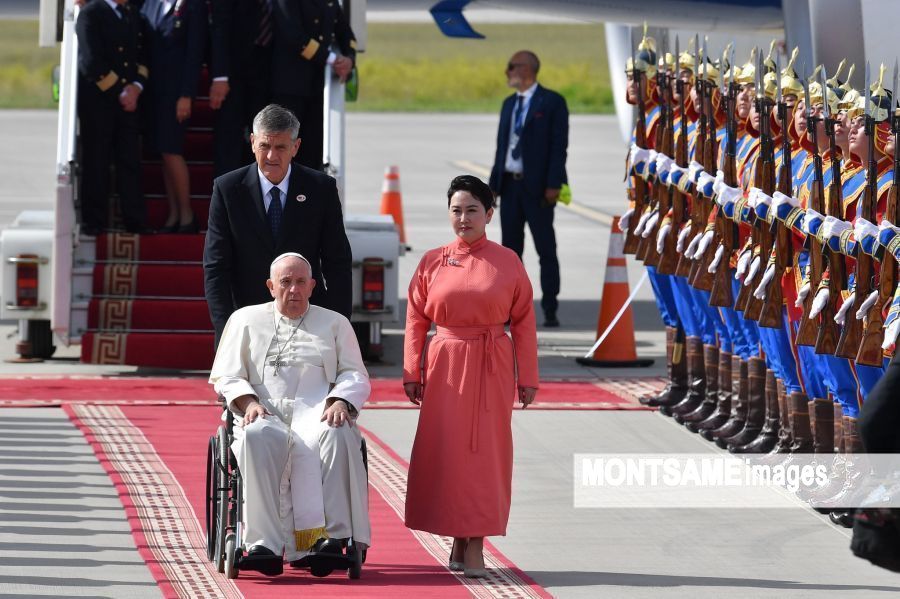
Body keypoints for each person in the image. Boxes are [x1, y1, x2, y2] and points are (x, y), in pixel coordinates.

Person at [402, 175, 538, 578]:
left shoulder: (508, 261)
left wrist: (527, 377)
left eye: (472, 210)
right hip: (444, 366)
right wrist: (412, 369)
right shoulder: (433, 260)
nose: (464, 218)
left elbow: (524, 322)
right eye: (456, 210)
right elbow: (415, 318)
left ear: (489, 214)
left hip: (491, 364)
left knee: (484, 455)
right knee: (447, 453)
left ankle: (475, 541)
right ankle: (458, 537)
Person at [209, 252, 370, 576]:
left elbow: (355, 374)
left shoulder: (335, 323)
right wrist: (249, 403)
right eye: (285, 282)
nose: (293, 289)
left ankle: (329, 538)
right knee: (256, 435)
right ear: (271, 286)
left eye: (300, 282)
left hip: (318, 411)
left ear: (312, 286)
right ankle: (263, 543)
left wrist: (339, 402)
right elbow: (227, 375)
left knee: (336, 434)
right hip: (263, 410)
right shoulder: (243, 320)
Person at [203, 104, 353, 345]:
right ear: (253, 142)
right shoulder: (228, 190)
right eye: (264, 146)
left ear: (296, 147)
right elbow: (216, 267)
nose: (271, 156)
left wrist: (338, 326)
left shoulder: (320, 189)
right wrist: (226, 331)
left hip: (309, 324)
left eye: (280, 147)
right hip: (248, 324)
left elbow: (337, 263)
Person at [488, 50, 568, 327]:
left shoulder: (552, 102)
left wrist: (553, 184)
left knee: (546, 249)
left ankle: (550, 306)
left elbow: (559, 147)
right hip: (510, 186)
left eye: (511, 67)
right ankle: (511, 308)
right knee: (510, 252)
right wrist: (493, 186)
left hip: (538, 189)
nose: (507, 72)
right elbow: (501, 148)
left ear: (526, 69)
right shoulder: (509, 104)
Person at [74, 0, 149, 235]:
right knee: (97, 162)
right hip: (99, 103)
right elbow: (90, 61)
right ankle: (94, 221)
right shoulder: (91, 13)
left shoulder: (132, 13)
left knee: (130, 162)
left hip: (129, 102)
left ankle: (135, 221)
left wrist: (136, 87)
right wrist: (120, 91)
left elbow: (142, 56)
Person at [141, 0, 207, 233]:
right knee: (163, 152)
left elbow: (194, 53)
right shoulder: (151, 4)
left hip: (176, 93)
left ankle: (187, 215)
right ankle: (174, 214)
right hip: (154, 92)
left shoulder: (193, 6)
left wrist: (187, 94)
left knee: (171, 149)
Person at [271, 0, 357, 171]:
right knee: (285, 151)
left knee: (313, 152)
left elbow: (345, 33)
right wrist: (332, 59)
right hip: (289, 88)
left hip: (317, 89)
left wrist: (349, 59)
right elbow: (295, 36)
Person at [209, 0, 275, 176]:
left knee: (264, 137)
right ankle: (227, 190)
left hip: (271, 68)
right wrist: (220, 76)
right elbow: (220, 25)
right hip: (234, 69)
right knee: (229, 138)